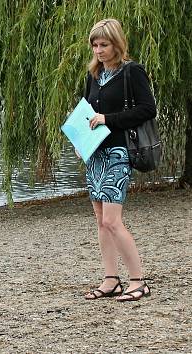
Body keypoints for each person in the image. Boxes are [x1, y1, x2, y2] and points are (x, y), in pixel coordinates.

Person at [79, 19, 156, 302]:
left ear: (116, 43)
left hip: (119, 153)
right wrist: (81, 142)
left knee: (113, 220)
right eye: (95, 45)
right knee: (100, 220)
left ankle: (138, 281)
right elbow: (87, 112)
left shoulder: (131, 72)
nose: (99, 50)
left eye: (104, 45)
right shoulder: (94, 74)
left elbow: (148, 109)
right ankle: (111, 279)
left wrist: (108, 120)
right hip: (95, 154)